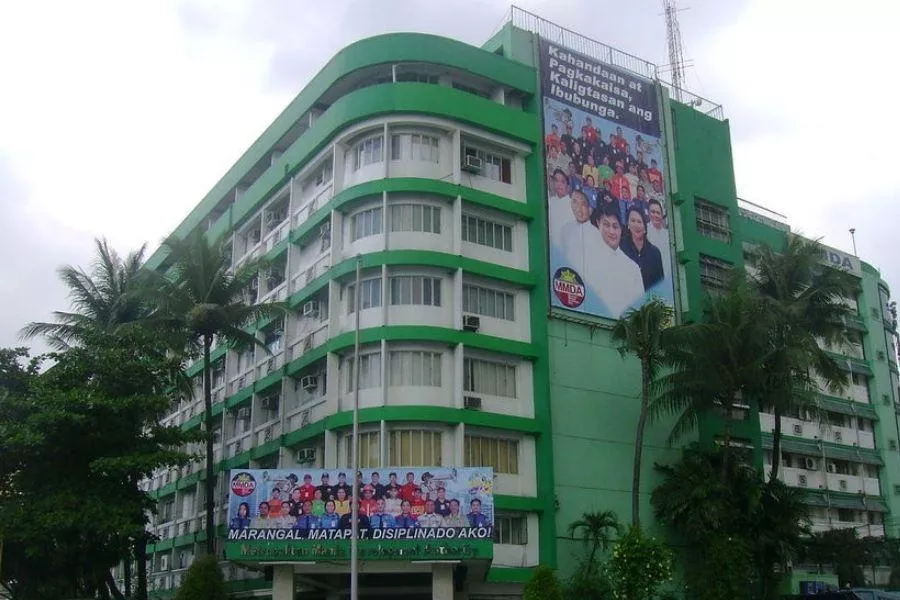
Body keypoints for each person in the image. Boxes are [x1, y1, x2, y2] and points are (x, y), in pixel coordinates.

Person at [583, 204, 645, 316]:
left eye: (615, 227)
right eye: (606, 225)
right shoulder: (585, 256)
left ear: (621, 230)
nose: (611, 231)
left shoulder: (632, 268)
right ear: (598, 224)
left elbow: (639, 309)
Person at [620, 206, 665, 291]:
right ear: (628, 224)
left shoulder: (655, 253)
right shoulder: (620, 248)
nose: (636, 225)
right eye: (633, 221)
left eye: (639, 222)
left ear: (645, 228)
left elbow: (660, 285)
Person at [646, 199, 671, 282]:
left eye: (658, 213)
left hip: (667, 276)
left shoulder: (667, 234)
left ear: (662, 215)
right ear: (648, 213)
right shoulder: (644, 230)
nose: (656, 215)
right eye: (653, 212)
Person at [548, 169, 573, 242]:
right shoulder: (549, 202)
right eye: (556, 181)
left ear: (568, 186)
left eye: (562, 182)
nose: (559, 184)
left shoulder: (573, 204)